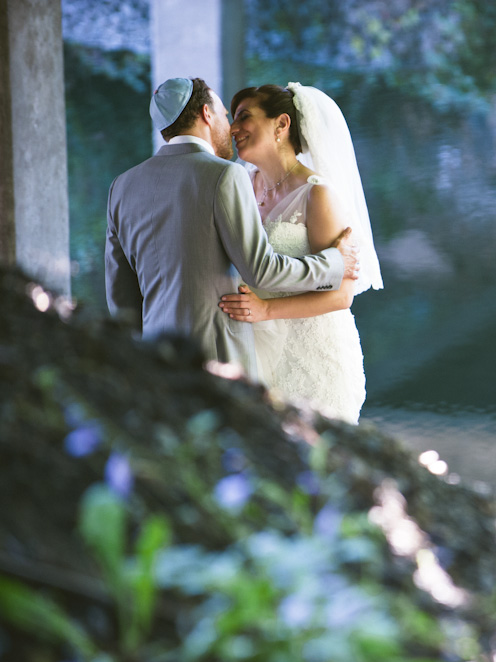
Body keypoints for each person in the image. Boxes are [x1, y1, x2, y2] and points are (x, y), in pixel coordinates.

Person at [105, 77, 359, 383]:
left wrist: (142, 358)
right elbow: (261, 271)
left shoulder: (122, 185)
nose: (232, 128)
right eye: (227, 115)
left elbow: (120, 297)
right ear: (205, 114)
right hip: (219, 356)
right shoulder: (226, 175)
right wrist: (336, 261)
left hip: (157, 357)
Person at [218, 83, 383, 424]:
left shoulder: (317, 195)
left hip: (312, 353)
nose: (233, 129)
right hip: (253, 347)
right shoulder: (240, 185)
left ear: (281, 125)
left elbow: (341, 295)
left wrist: (266, 309)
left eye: (244, 117)